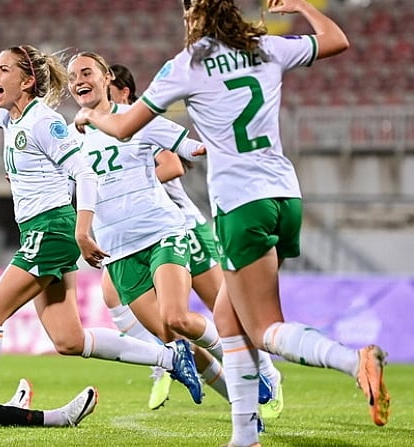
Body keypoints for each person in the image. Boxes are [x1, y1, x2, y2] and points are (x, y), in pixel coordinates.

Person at [74, 1, 390, 445]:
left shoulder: (188, 64)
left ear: (194, 16)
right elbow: (338, 41)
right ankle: (244, 436)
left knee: (263, 327)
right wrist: (301, 5)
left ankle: (353, 361)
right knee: (228, 317)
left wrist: (91, 117)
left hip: (241, 204)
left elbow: (125, 127)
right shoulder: (264, 46)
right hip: (284, 194)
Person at [0, 27, 202, 446]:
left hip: (52, 228)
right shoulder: (10, 116)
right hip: (40, 229)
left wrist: (82, 229)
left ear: (27, 81)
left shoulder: (44, 121)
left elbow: (84, 170)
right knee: (68, 340)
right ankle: (170, 357)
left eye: (2, 70)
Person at [106, 63, 284, 419]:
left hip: (183, 227)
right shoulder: (99, 129)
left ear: (124, 91)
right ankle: (166, 359)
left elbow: (173, 165)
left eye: (107, 86)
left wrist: (131, 184)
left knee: (224, 306)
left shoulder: (136, 124)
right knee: (120, 300)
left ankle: (266, 370)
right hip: (137, 235)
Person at [66, 51, 229, 404]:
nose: (79, 79)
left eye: (87, 72)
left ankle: (247, 363)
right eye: (72, 76)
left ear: (107, 77)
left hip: (162, 232)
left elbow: (188, 149)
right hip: (118, 250)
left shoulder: (136, 117)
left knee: (179, 318)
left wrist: (221, 144)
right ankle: (241, 399)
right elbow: (54, 179)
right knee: (169, 335)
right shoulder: (70, 136)